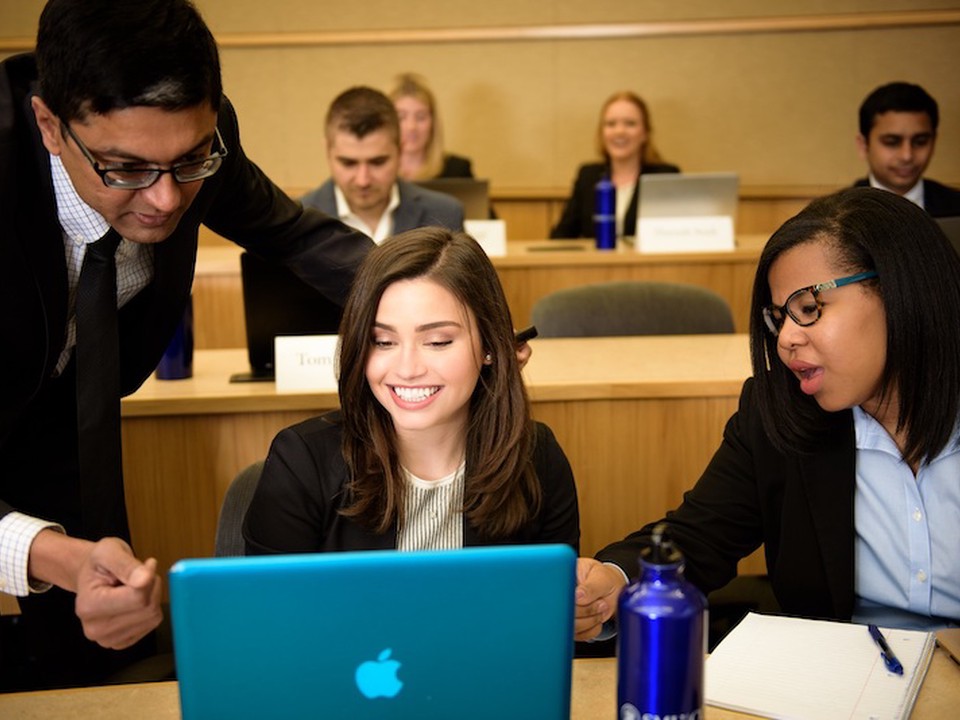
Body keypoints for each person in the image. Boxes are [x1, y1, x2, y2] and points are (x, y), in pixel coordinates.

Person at [0, 0, 374, 690]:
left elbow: (295, 235)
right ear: (50, 124)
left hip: (68, 415)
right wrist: (50, 555)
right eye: (126, 168)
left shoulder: (194, 141)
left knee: (89, 650)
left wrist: (453, 304)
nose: (168, 200)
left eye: (189, 161)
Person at [575, 187, 960, 642]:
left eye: (809, 308)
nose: (786, 339)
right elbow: (697, 537)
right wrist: (616, 580)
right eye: (780, 317)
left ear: (899, 289)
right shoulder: (777, 412)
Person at [244, 227, 579, 555]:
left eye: (437, 342)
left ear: (490, 345)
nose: (407, 369)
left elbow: (550, 604)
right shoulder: (302, 461)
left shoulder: (537, 457)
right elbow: (266, 608)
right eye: (383, 342)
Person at [300, 86, 464, 245]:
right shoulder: (299, 223)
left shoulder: (444, 215)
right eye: (348, 163)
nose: (363, 180)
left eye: (377, 162)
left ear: (400, 150)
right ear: (328, 151)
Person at [551, 91, 679, 240]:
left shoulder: (665, 177)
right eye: (611, 124)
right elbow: (560, 238)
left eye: (630, 124)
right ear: (602, 132)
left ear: (645, 133)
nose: (619, 131)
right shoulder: (588, 176)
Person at [853, 82, 960, 217]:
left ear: (933, 143)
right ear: (863, 145)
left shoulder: (956, 207)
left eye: (920, 142)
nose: (907, 156)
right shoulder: (834, 215)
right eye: (892, 142)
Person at [389, 72, 475, 181]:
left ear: (433, 122)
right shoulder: (375, 171)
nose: (411, 127)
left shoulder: (458, 171)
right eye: (401, 117)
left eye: (420, 117)